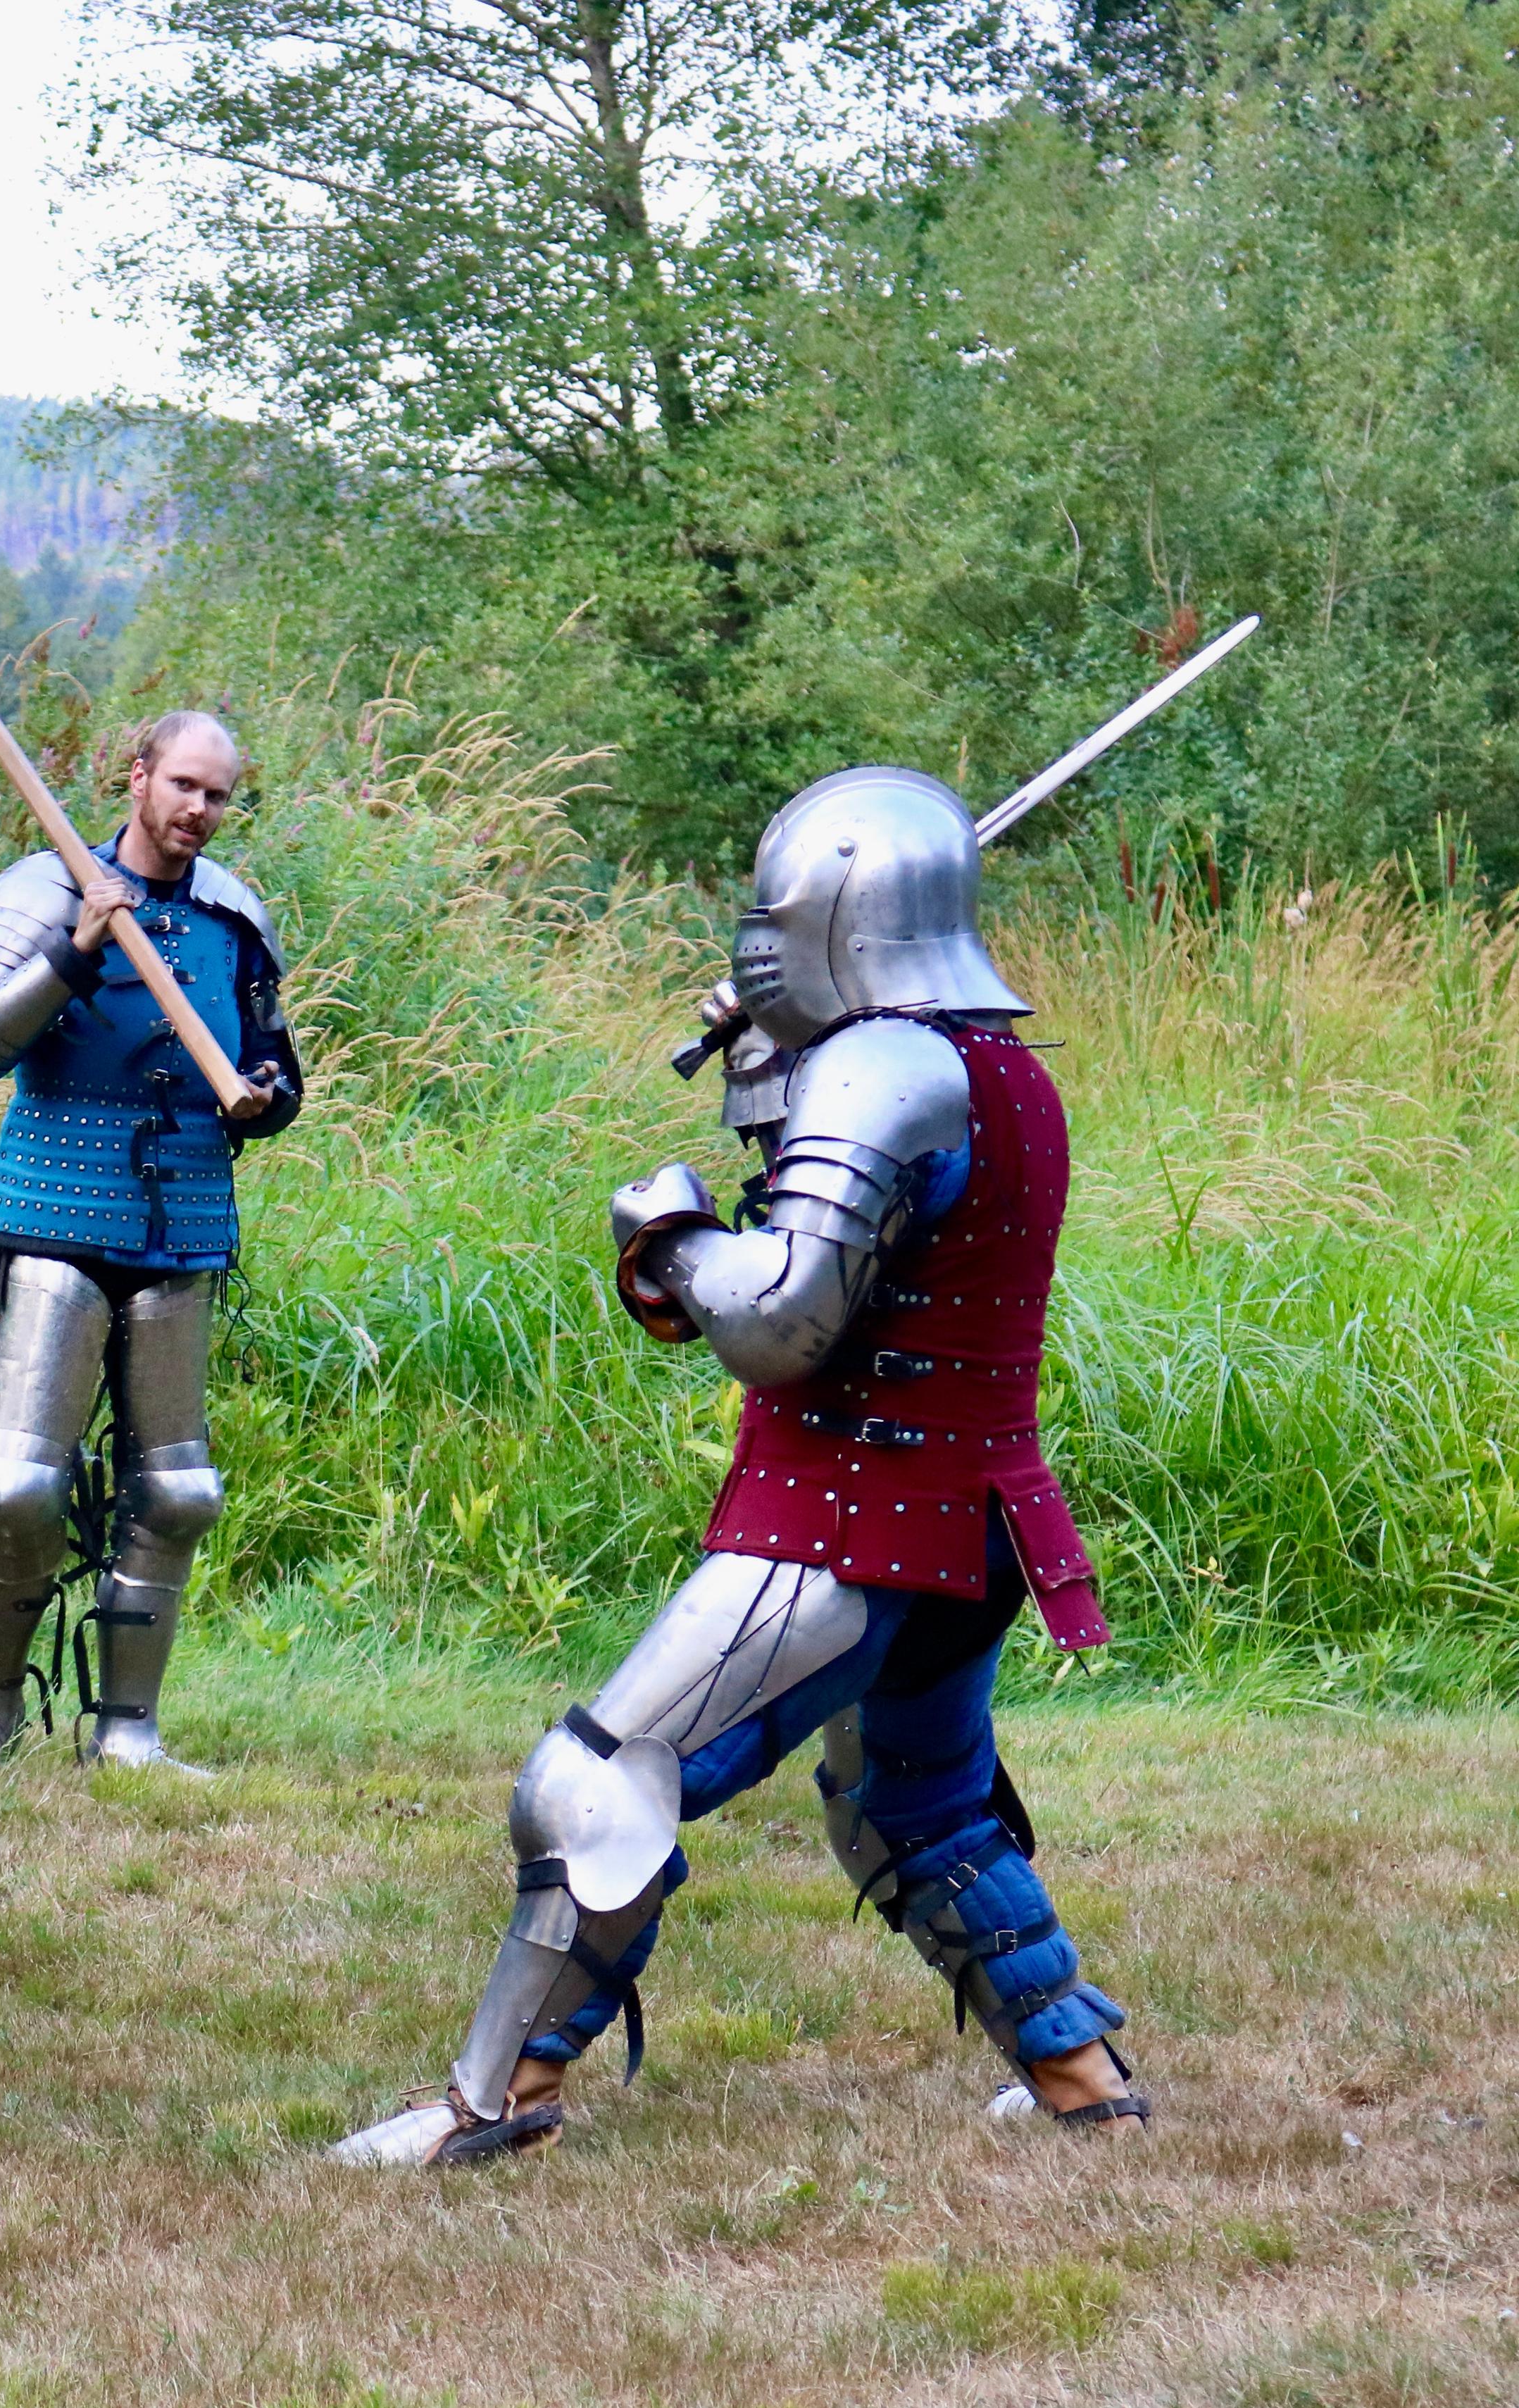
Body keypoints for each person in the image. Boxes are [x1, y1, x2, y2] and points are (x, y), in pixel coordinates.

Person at [335, 764, 1146, 2166]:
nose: (756, 939)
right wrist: (773, 1066)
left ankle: (494, 2102)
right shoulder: (999, 1070)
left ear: (839, 916)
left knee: (593, 1781)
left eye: (774, 914)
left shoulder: (885, 1067)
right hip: (971, 1521)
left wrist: (671, 1234)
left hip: (844, 1520)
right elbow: (858, 1237)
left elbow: (780, 1320)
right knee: (921, 1811)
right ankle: (1083, 2079)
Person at [0, 713, 302, 1772]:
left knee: (178, 1491)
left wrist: (264, 1099)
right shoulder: (40, 890)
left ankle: (129, 1731)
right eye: (183, 784)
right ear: (137, 777)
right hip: (56, 1208)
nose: (199, 809)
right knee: (16, 1486)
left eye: (217, 794)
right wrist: (77, 947)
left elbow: (274, 1061)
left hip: (184, 1217)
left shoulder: (233, 914)